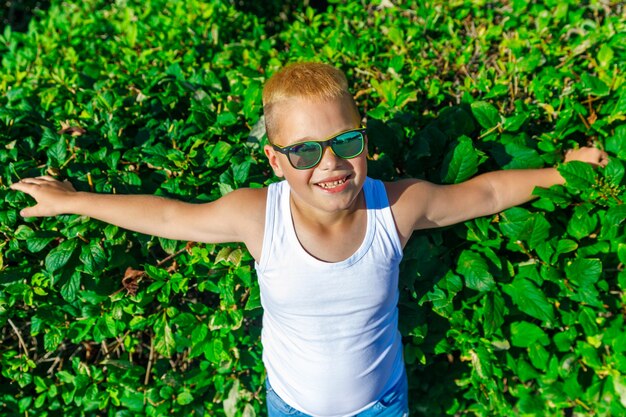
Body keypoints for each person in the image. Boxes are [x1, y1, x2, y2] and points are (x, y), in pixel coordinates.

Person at [10, 62, 608, 417]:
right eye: (304, 151)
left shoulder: (394, 209)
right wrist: (71, 201)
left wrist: (565, 171)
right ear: (275, 160)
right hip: (290, 408)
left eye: (346, 142)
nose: (331, 164)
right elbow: (169, 218)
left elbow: (484, 195)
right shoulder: (256, 217)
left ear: (363, 140)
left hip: (382, 405)